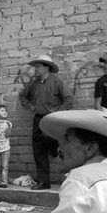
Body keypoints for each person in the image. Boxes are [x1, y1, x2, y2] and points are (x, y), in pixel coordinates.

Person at [18, 54, 73, 190]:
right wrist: (31, 106)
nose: (35, 69)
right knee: (39, 151)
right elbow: (23, 96)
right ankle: (43, 182)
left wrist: (58, 114)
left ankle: (70, 181)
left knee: (61, 150)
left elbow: (68, 99)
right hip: (39, 120)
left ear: (46, 67)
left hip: (54, 121)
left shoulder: (57, 81)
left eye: (38, 66)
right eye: (35, 66)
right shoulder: (34, 83)